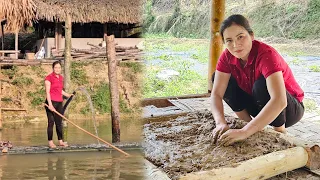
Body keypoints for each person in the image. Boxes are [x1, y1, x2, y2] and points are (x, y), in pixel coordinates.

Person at [211, 14, 304, 146]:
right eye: (229, 40)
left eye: (240, 37)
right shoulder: (226, 57)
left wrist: (244, 132)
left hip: (289, 110)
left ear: (252, 35)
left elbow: (280, 101)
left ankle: (280, 132)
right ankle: (248, 124)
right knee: (218, 79)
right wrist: (220, 123)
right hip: (260, 106)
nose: (235, 45)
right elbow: (216, 94)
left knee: (261, 84)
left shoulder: (266, 54)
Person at [44, 61, 73, 148]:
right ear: (53, 68)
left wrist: (67, 95)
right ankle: (50, 142)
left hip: (59, 102)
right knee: (51, 122)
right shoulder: (48, 78)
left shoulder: (61, 78)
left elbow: (59, 90)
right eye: (56, 67)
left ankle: (60, 141)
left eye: (59, 68)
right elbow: (47, 92)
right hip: (51, 102)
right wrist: (50, 105)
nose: (57, 69)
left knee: (59, 123)